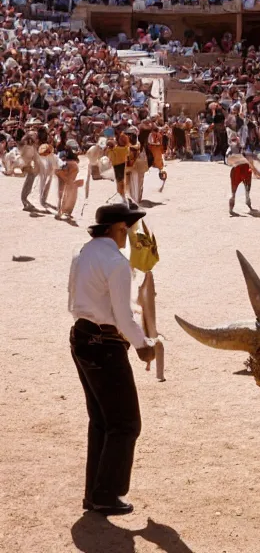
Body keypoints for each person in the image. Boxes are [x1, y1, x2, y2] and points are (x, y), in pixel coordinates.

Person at [68, 203, 156, 516]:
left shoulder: (83, 252)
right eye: (128, 229)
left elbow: (73, 300)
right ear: (118, 228)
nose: (130, 236)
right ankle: (106, 493)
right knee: (125, 424)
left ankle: (95, 493)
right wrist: (144, 344)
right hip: (105, 344)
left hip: (81, 336)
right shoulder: (116, 262)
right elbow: (122, 316)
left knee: (102, 421)